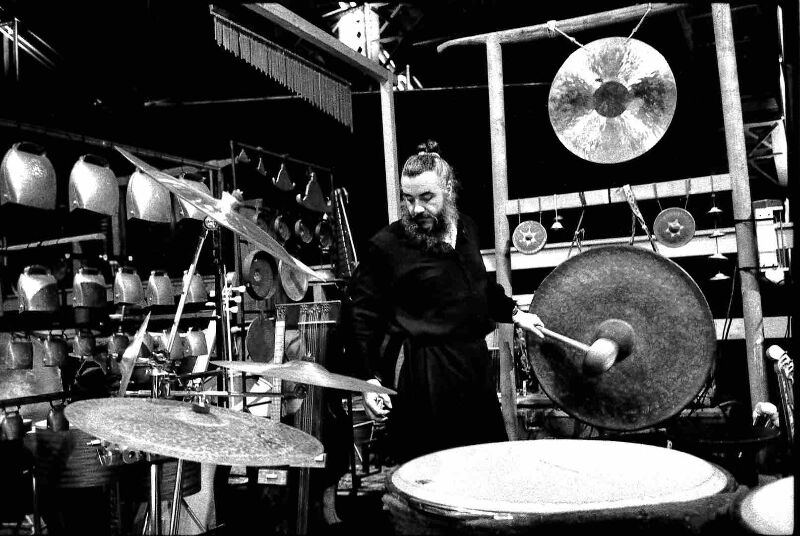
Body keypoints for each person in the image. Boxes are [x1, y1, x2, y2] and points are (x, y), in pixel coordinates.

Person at [340, 139, 544, 463]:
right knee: (435, 470)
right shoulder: (388, 245)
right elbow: (360, 315)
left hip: (473, 365)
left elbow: (479, 288)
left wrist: (517, 314)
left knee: (483, 463)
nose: (415, 209)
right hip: (427, 373)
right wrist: (368, 380)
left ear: (447, 189)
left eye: (426, 198)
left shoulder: (466, 228)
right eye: (408, 199)